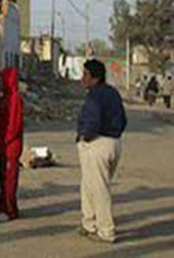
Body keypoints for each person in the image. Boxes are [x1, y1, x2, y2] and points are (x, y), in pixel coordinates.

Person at [77, 59, 127, 244]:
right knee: (89, 185)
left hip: (97, 144)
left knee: (99, 189)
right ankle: (89, 223)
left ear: (95, 77)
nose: (82, 78)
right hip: (114, 143)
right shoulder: (112, 92)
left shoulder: (94, 96)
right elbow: (123, 120)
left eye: (85, 74)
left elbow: (92, 121)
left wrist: (85, 137)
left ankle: (106, 231)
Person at [0, 67, 24, 221]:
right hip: (3, 144)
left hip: (10, 146)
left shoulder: (15, 99)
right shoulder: (5, 97)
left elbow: (15, 125)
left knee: (9, 179)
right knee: (3, 178)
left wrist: (6, 140)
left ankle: (9, 209)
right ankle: (6, 207)